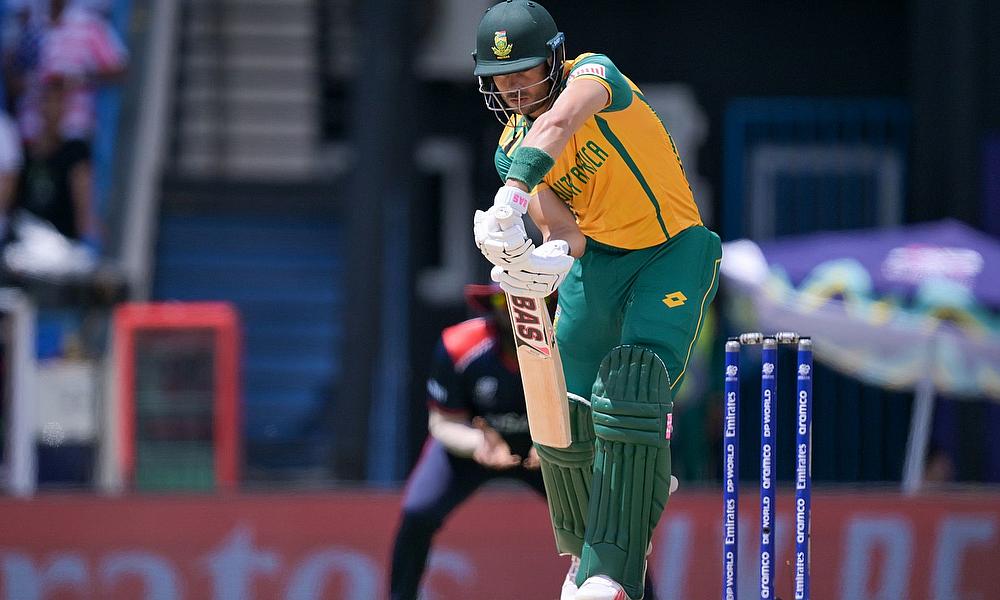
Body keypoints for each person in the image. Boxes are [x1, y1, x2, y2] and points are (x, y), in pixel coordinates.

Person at [471, 2, 722, 599]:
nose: (514, 90)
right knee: (564, 411)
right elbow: (565, 232)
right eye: (501, 80)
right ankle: (589, 551)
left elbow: (558, 125)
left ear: (553, 60)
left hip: (669, 249)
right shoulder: (510, 147)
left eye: (524, 73)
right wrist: (537, 260)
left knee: (631, 384)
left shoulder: (594, 76)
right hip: (598, 262)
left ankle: (611, 571)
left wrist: (510, 194)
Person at [388, 284, 664, 600]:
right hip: (477, 448)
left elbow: (594, 413)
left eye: (532, 299)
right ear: (491, 305)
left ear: (551, 302)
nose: (517, 308)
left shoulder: (574, 345)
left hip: (555, 451)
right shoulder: (459, 345)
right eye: (503, 298)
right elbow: (443, 422)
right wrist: (477, 444)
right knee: (418, 513)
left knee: (609, 528)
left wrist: (557, 444)